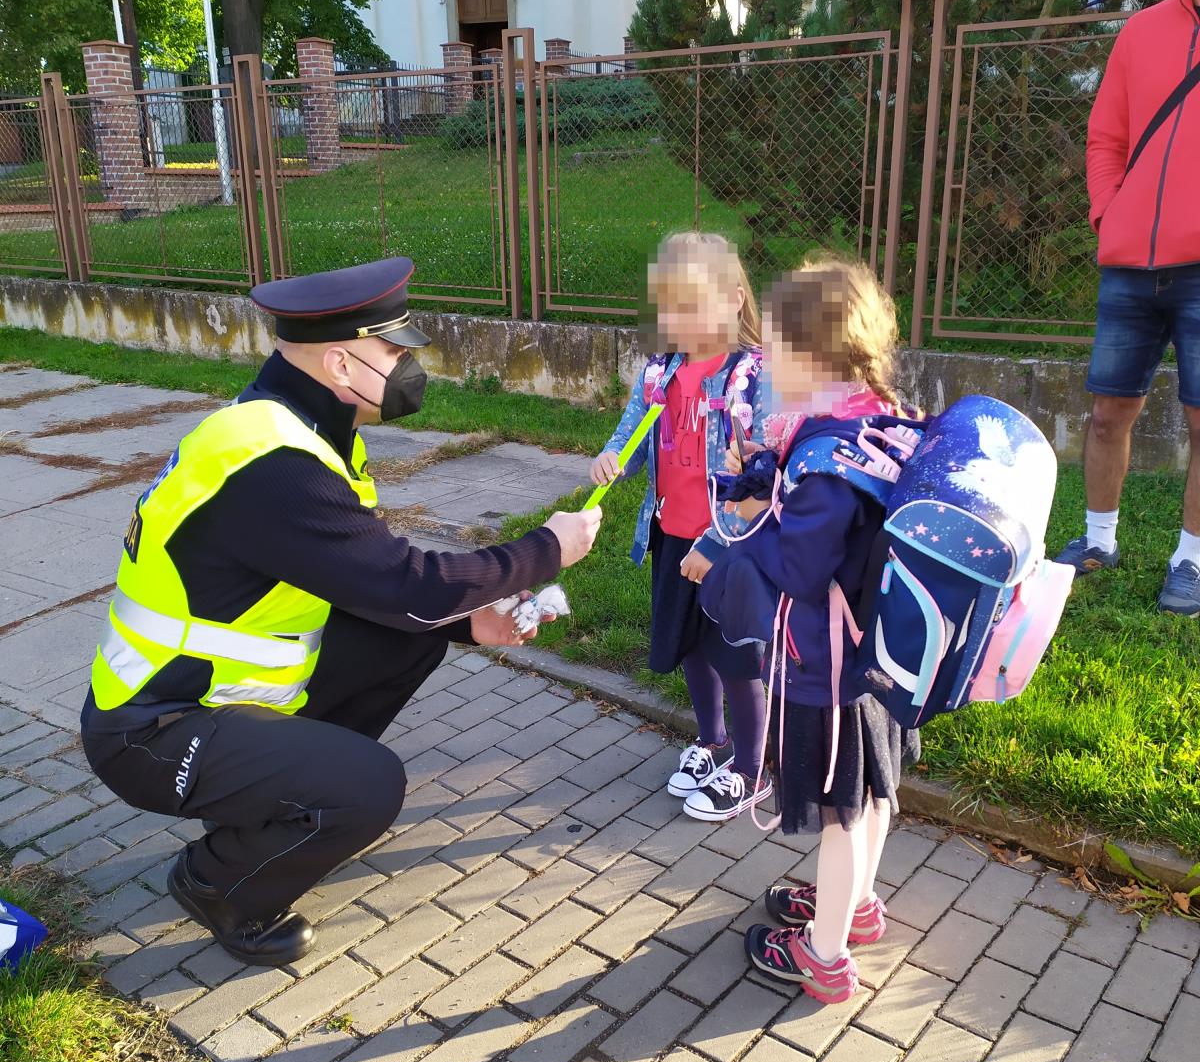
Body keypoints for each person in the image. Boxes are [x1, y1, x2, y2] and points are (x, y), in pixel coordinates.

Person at [79, 257, 600, 966]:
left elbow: (375, 587)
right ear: (343, 363)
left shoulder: (288, 428)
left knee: (410, 639)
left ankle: (288, 809)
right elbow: (411, 585)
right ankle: (219, 884)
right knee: (371, 785)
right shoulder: (274, 465)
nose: (411, 362)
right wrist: (546, 549)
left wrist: (467, 622)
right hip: (151, 731)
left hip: (195, 696)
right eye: (395, 349)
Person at [707, 258, 907, 1004]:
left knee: (839, 813)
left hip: (828, 669)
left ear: (815, 356)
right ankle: (852, 908)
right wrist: (764, 471)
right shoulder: (871, 418)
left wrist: (741, 533)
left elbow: (798, 562)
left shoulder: (828, 462)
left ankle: (823, 956)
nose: (762, 363)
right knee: (873, 796)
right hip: (880, 658)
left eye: (777, 351)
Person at [1055, 0, 1200, 615]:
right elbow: (1106, 137)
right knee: (1109, 412)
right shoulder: (1141, 33)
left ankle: (1191, 560)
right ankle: (1100, 538)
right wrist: (1108, 215)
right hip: (1130, 266)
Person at [589, 232, 770, 822]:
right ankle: (711, 740)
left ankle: (749, 767)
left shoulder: (752, 379)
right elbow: (632, 435)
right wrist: (612, 457)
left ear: (735, 299)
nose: (678, 321)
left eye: (692, 306)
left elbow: (765, 474)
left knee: (736, 656)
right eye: (669, 308)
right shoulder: (660, 373)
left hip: (730, 546)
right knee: (690, 645)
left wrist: (716, 544)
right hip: (672, 536)